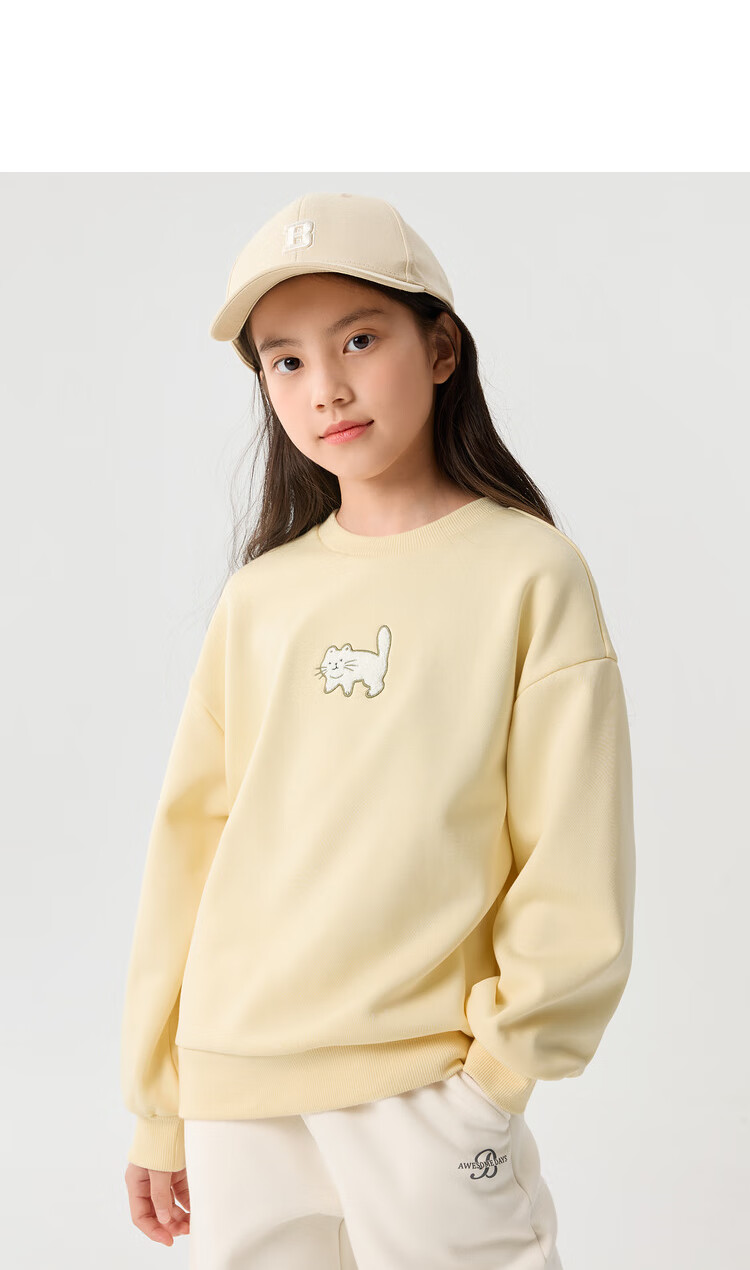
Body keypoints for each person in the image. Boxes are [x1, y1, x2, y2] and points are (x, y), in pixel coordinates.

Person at [121, 191, 636, 1269]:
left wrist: (497, 1075)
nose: (327, 387)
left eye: (359, 339)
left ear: (441, 348)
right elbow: (190, 850)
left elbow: (571, 853)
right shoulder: (261, 597)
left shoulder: (528, 574)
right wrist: (161, 1101)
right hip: (236, 1091)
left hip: (426, 1091)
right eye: (287, 361)